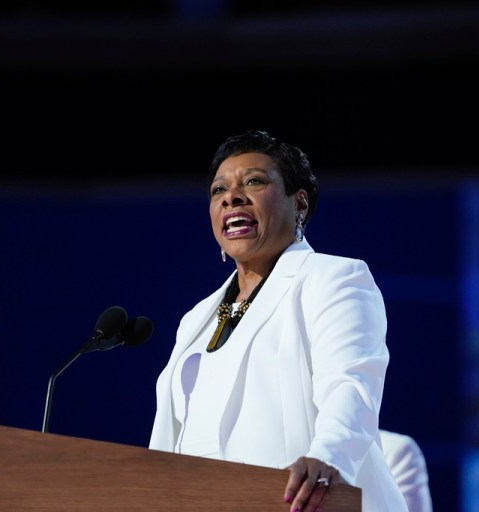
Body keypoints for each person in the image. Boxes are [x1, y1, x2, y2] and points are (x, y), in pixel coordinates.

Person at [149, 130, 409, 512]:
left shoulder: (333, 279)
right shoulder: (195, 320)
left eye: (253, 182)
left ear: (299, 203)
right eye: (219, 190)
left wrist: (327, 456)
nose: (231, 197)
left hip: (303, 501)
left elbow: (351, 384)